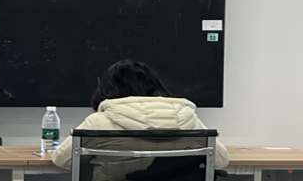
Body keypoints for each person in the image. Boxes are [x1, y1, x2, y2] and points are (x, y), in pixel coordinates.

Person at [51, 59, 230, 174]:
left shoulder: (98, 123)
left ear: (107, 89)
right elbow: (220, 161)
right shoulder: (188, 120)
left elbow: (64, 160)